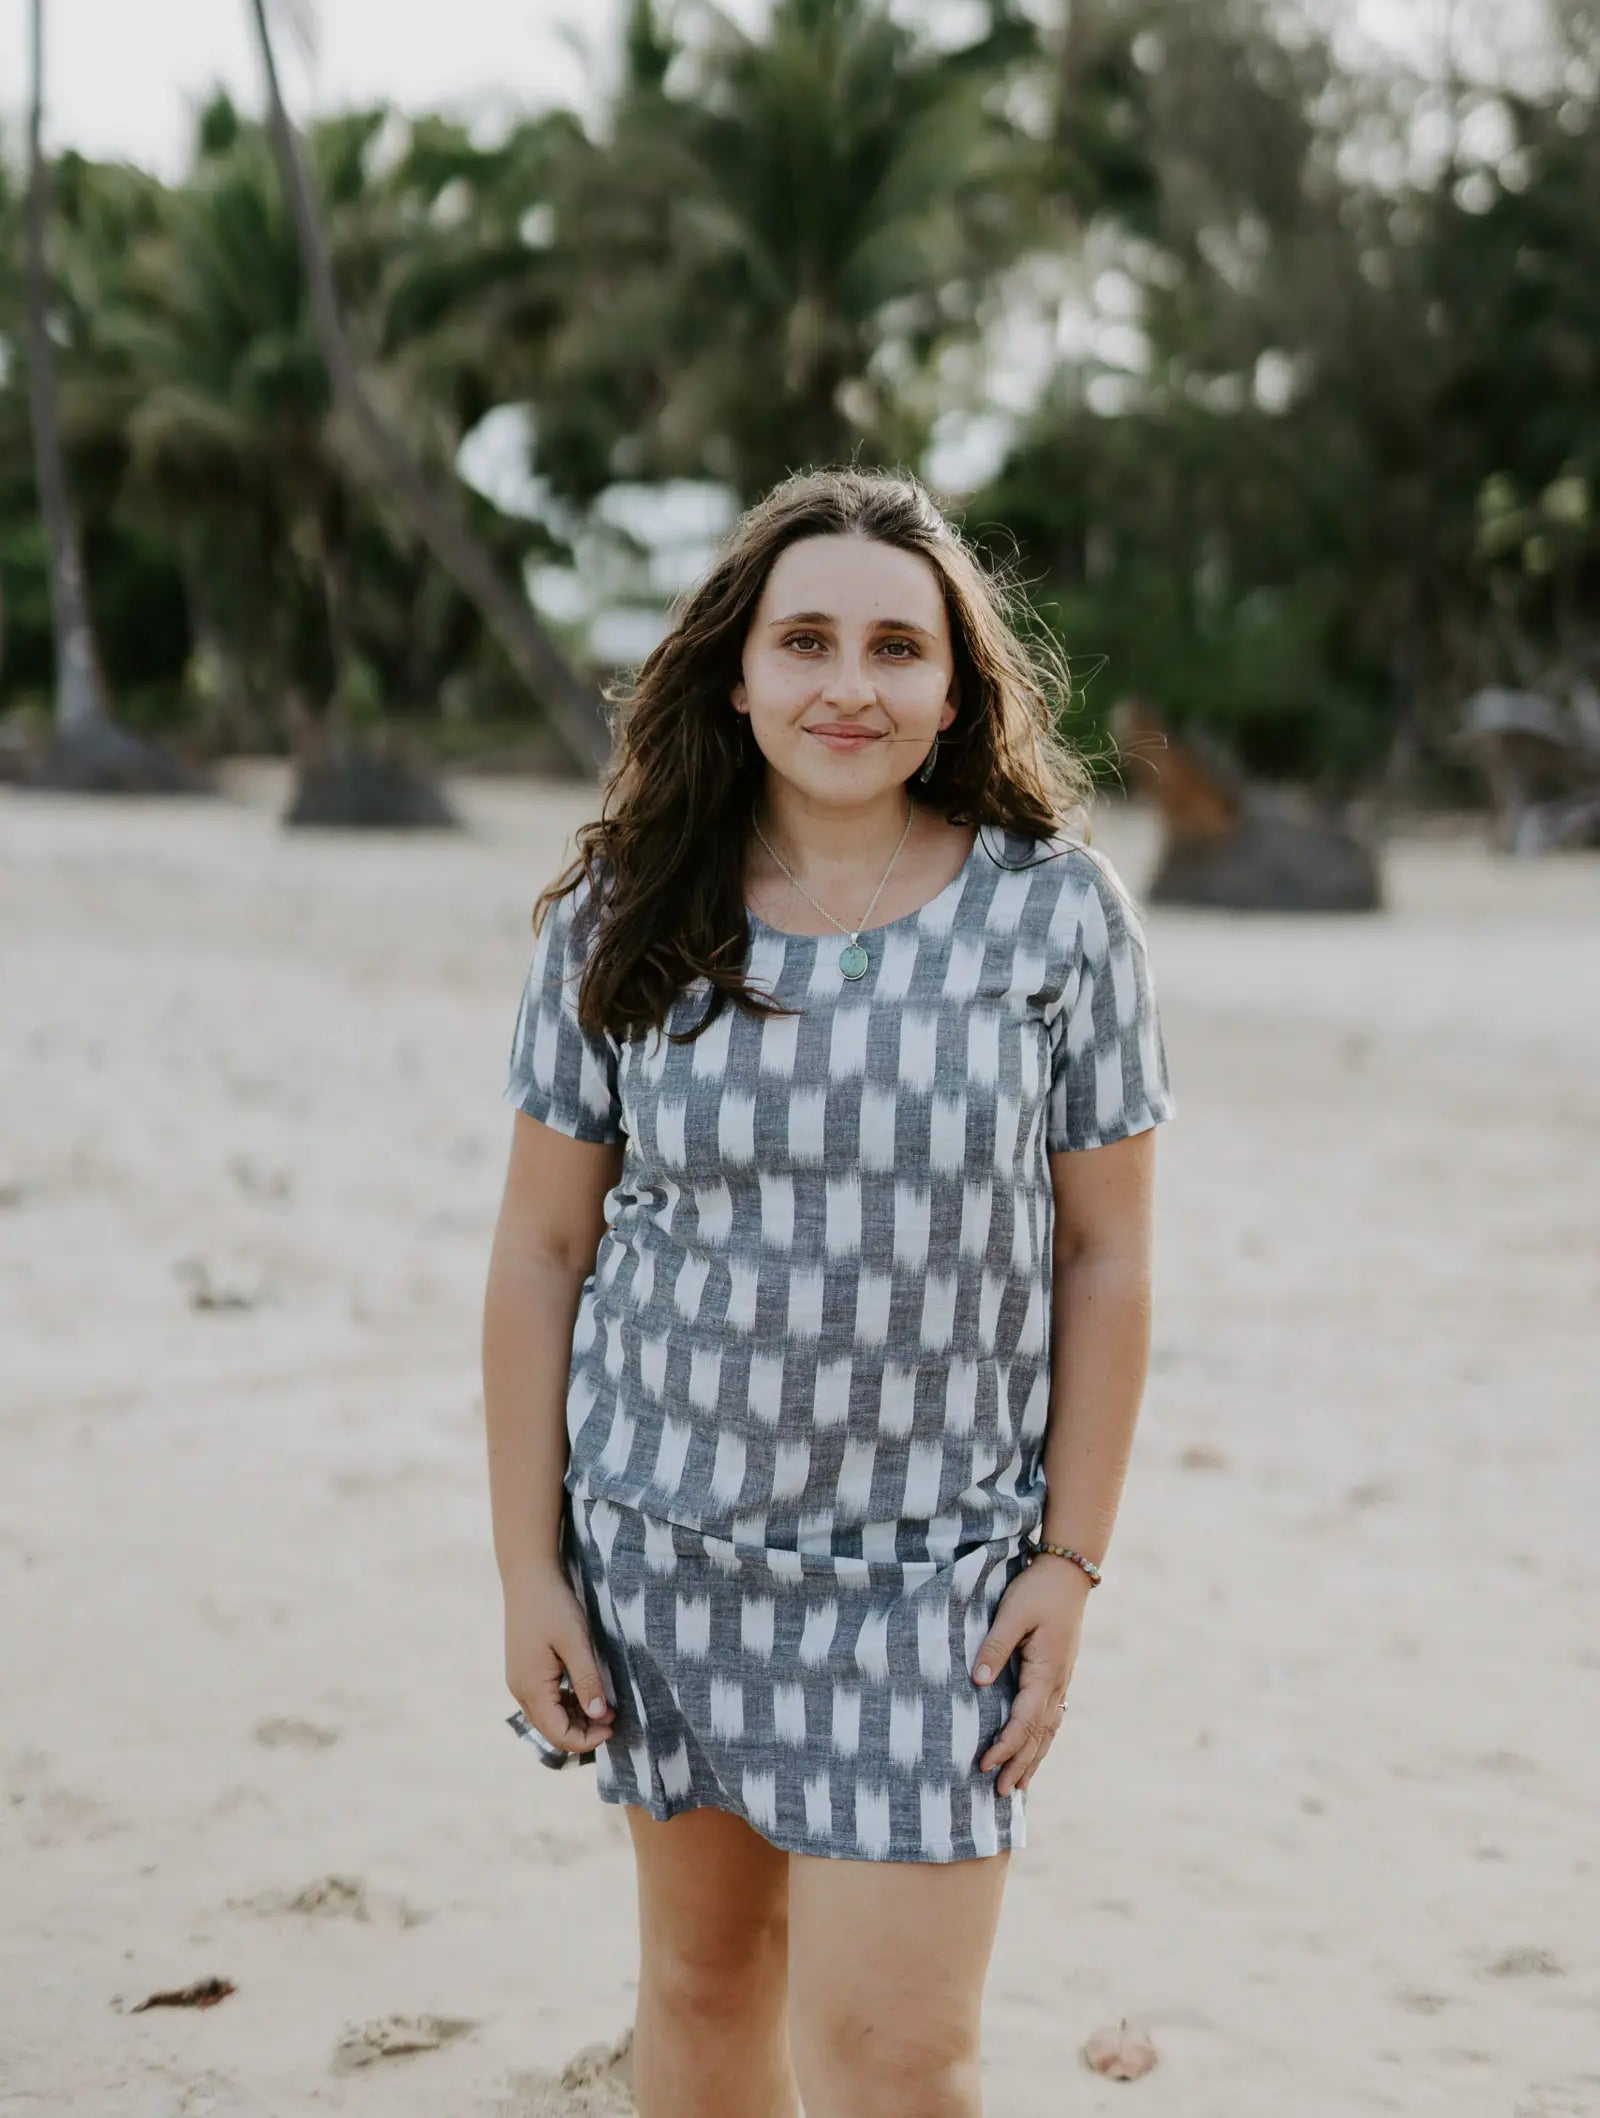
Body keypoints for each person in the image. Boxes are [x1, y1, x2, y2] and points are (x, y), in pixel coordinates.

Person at [482, 466, 1175, 2118]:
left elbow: (1110, 1254)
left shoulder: (1058, 916)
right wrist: (530, 1567)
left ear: (953, 688)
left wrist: (1070, 1560)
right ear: (737, 670)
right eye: (805, 639)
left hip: (934, 1573)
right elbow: (539, 1249)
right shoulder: (625, 911)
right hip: (668, 1546)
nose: (847, 685)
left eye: (894, 647)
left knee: (900, 2058)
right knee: (704, 1992)